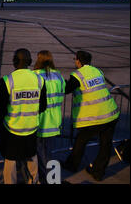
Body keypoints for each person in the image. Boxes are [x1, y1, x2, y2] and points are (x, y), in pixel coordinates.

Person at [62, 50, 119, 181]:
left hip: (96, 117)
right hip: (111, 113)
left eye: (75, 59)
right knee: (105, 144)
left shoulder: (77, 75)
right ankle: (98, 172)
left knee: (81, 140)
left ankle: (72, 165)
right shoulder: (97, 71)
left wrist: (60, 81)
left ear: (78, 61)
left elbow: (66, 89)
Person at [0, 48, 47, 184]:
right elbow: (43, 106)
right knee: (31, 156)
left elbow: (0, 109)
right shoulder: (39, 80)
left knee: (10, 159)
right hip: (31, 127)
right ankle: (34, 180)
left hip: (12, 128)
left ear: (15, 61)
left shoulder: (8, 80)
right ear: (29, 61)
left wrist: (5, 120)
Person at [33, 50, 65, 184]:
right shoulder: (59, 76)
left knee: (39, 153)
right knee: (50, 153)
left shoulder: (35, 76)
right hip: (54, 120)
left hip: (40, 120)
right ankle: (54, 179)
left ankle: (44, 179)